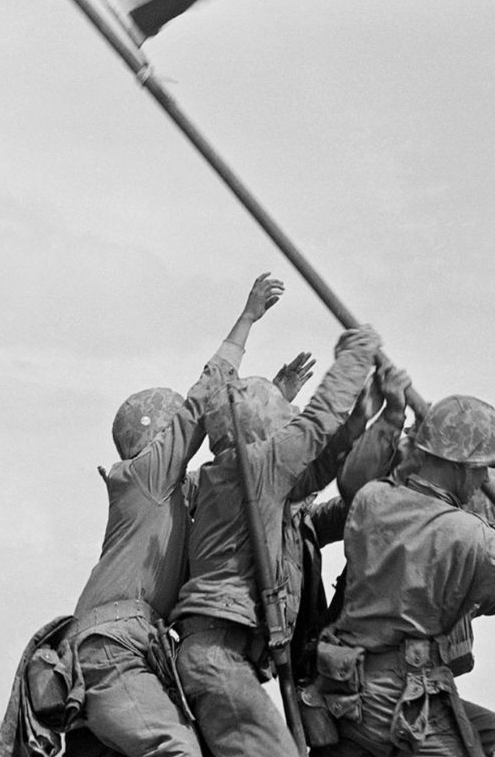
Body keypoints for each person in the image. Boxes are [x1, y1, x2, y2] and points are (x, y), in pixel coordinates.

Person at [58, 273, 289, 757]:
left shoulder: (178, 496)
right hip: (111, 649)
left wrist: (272, 403)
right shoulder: (142, 478)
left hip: (138, 649)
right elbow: (204, 399)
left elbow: (238, 471)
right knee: (175, 748)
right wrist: (246, 320)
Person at [313, 391, 495, 757]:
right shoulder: (467, 535)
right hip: (404, 700)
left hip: (346, 691)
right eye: (481, 467)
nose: (483, 478)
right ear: (459, 465)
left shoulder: (372, 500)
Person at [171, 322, 387, 757]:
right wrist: (356, 354)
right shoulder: (253, 469)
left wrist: (361, 418)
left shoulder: (244, 477)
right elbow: (316, 423)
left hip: (228, 652)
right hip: (219, 652)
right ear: (263, 433)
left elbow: (314, 471)